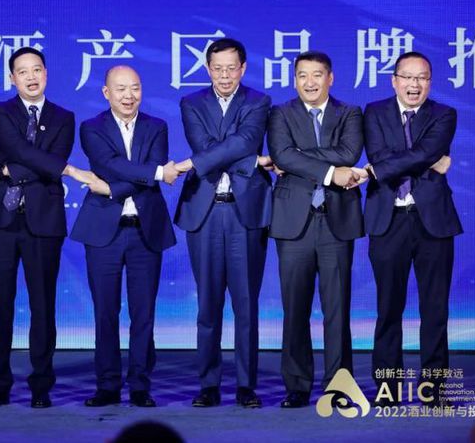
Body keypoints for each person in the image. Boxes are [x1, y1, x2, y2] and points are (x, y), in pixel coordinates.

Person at [0, 47, 97, 409]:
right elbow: (19, 150)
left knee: (43, 306)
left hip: (43, 221)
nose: (31, 76)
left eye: (37, 69)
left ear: (46, 74)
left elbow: (47, 160)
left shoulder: (63, 117)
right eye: (23, 71)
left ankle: (41, 386)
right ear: (12, 78)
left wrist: (5, 170)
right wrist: (64, 169)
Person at [69, 65, 177, 408]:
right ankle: (107, 385)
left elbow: (135, 177)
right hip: (105, 232)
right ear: (106, 93)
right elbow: (111, 164)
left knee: (143, 313)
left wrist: (111, 188)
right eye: (121, 89)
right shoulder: (91, 128)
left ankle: (140, 385)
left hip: (146, 231)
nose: (129, 96)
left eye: (135, 88)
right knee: (106, 311)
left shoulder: (157, 126)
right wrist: (155, 173)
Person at [173, 37, 272, 408]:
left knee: (246, 304)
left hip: (245, 212)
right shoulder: (191, 102)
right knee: (208, 304)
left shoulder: (258, 101)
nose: (225, 75)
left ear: (243, 68)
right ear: (208, 69)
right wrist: (253, 161)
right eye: (218, 69)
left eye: (232, 68)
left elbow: (245, 141)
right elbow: (206, 147)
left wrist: (236, 154)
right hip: (206, 211)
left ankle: (246, 385)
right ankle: (209, 385)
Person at [267, 51, 364, 408]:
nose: (310, 82)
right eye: (302, 75)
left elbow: (349, 152)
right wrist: (329, 171)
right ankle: (297, 385)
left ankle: (338, 385)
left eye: (317, 75)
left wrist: (299, 156)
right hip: (294, 222)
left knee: (337, 311)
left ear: (330, 78)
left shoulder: (350, 113)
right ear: (295, 80)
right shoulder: (280, 113)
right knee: (295, 310)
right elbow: (281, 154)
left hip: (336, 220)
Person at [362, 51, 460, 405]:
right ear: (394, 81)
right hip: (388, 219)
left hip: (433, 222)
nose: (414, 84)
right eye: (407, 77)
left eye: (422, 78)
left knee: (435, 310)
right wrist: (429, 161)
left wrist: (382, 169)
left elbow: (422, 153)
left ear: (429, 82)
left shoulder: (444, 114)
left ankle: (433, 390)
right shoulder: (374, 112)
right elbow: (383, 155)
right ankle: (388, 388)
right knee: (389, 308)